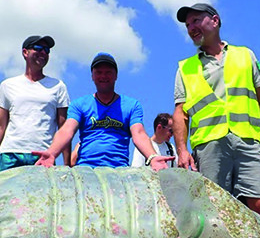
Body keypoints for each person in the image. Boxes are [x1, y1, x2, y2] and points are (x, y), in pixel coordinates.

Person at [173, 3, 260, 217]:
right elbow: (180, 112)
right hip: (209, 147)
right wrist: (182, 150)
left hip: (247, 141)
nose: (191, 28)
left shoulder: (245, 55)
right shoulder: (185, 68)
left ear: (214, 20)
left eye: (196, 21)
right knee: (214, 212)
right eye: (187, 25)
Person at [33, 53, 173, 170]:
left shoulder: (131, 105)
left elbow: (139, 133)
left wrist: (153, 157)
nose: (103, 76)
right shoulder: (80, 104)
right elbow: (67, 130)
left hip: (119, 170)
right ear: (92, 76)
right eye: (98, 72)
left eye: (108, 72)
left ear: (116, 75)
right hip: (86, 169)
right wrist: (52, 153)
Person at [0, 35, 70, 179]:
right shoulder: (8, 85)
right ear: (25, 52)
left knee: (42, 200)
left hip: (43, 155)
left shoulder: (58, 86)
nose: (43, 53)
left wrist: (67, 164)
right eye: (38, 48)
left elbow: (64, 127)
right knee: (8, 199)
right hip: (11, 153)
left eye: (46, 50)